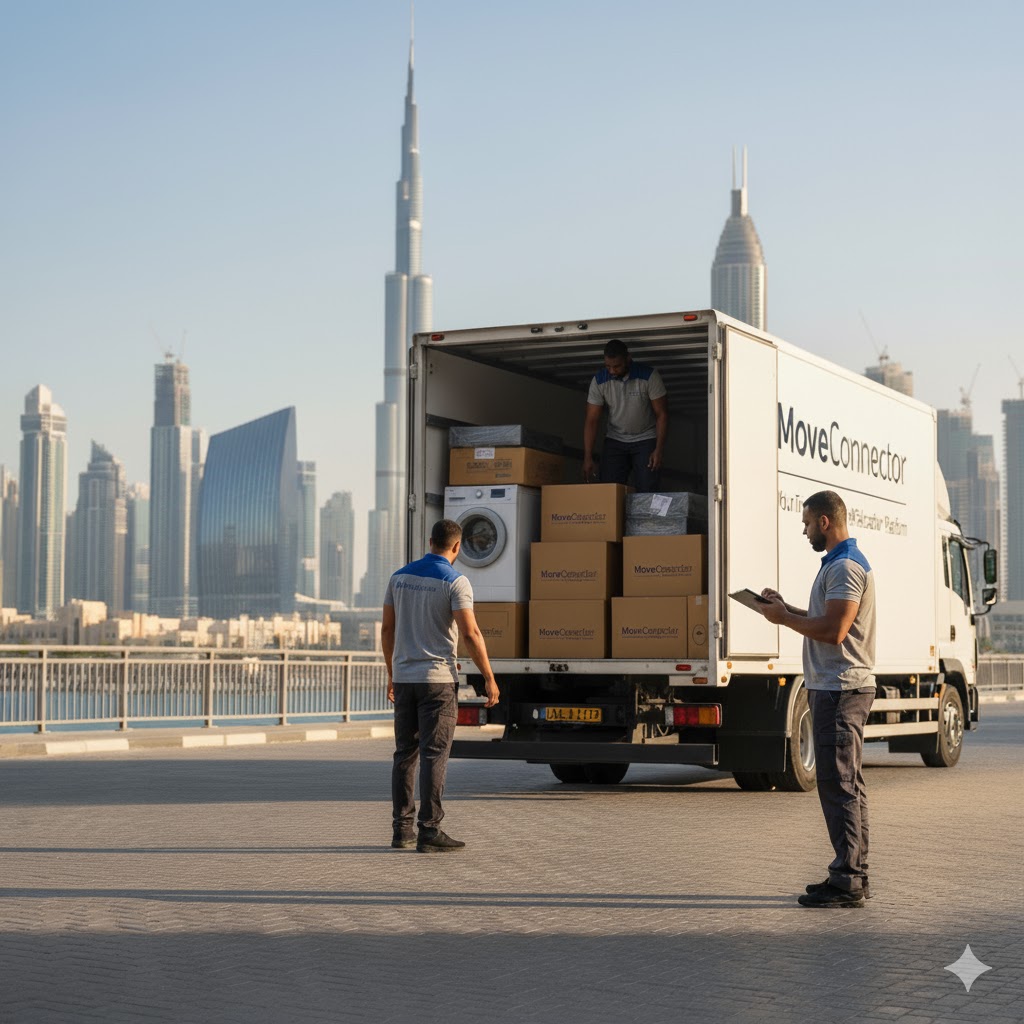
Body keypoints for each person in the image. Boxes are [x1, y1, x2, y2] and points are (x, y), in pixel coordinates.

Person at [758, 490, 876, 908]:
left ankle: (847, 882)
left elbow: (834, 631)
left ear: (825, 522)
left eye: (807, 523)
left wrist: (785, 619)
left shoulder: (844, 567)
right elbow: (825, 619)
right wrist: (783, 609)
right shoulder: (839, 564)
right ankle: (853, 873)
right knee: (848, 784)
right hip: (838, 687)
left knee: (839, 784)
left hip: (840, 690)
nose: (805, 530)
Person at [382, 518, 499, 853]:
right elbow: (470, 633)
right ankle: (430, 830)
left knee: (405, 754)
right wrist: (489, 677)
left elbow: (387, 630)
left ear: (430, 541)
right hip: (438, 681)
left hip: (405, 679)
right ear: (457, 546)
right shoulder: (456, 581)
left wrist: (391, 674)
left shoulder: (398, 578)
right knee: (434, 754)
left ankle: (401, 831)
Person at [582, 338, 668, 491]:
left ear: (628, 358)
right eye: (608, 366)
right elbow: (592, 420)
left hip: (645, 439)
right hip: (615, 439)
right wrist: (588, 457)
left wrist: (658, 450)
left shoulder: (649, 376)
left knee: (647, 488)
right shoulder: (599, 380)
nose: (612, 371)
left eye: (617, 366)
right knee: (609, 489)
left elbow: (661, 414)